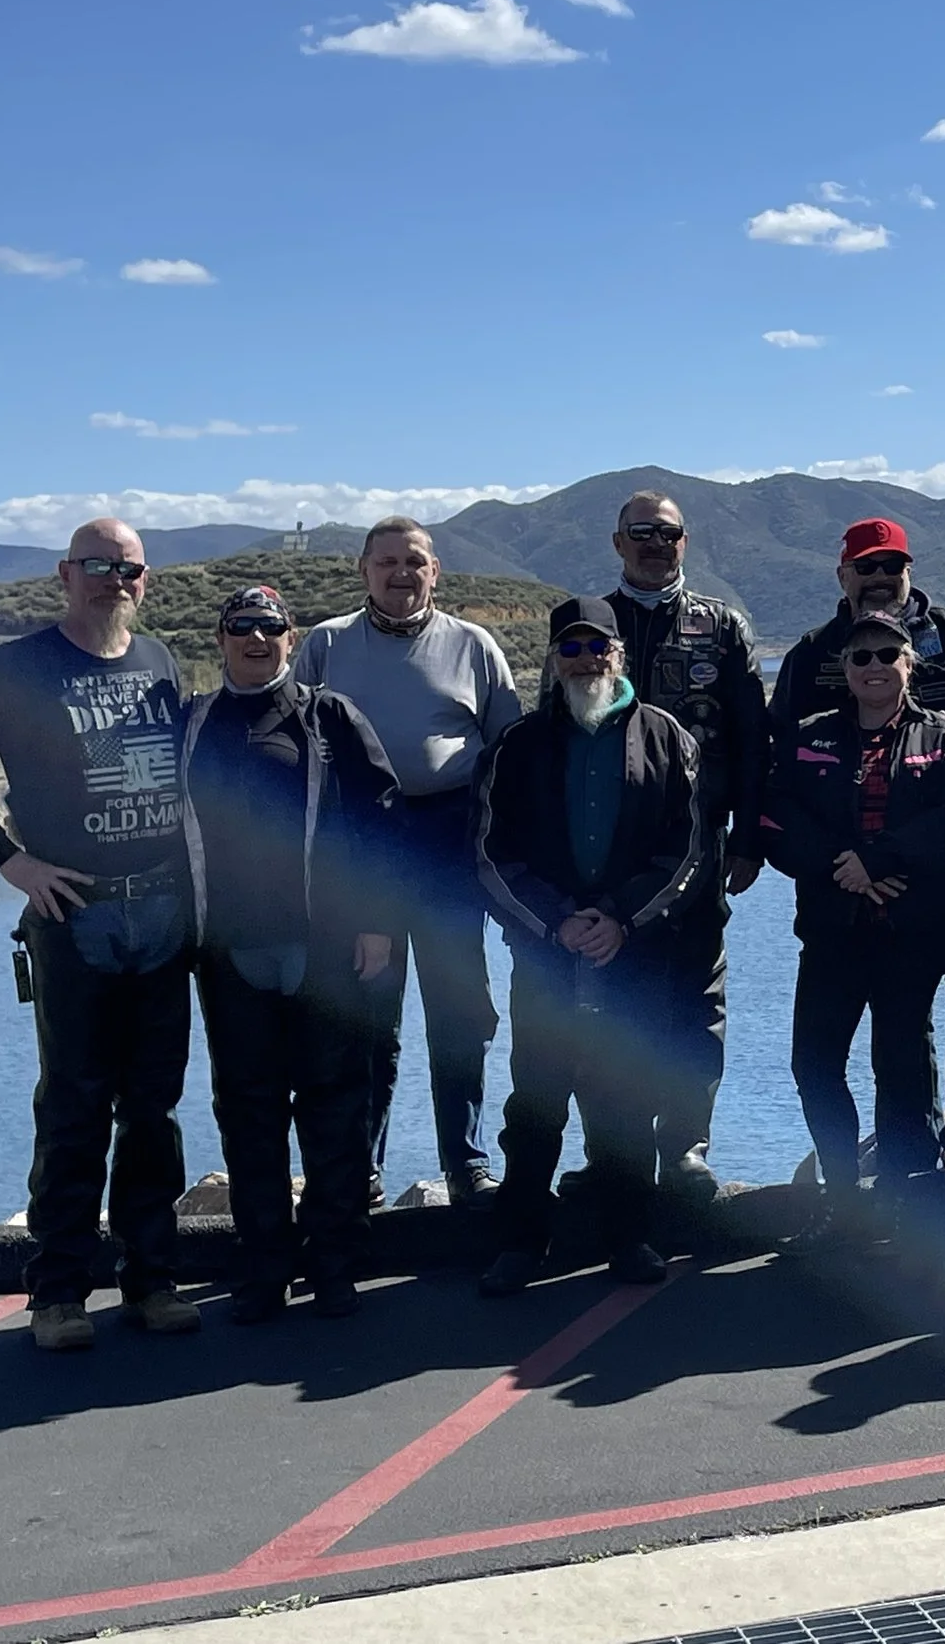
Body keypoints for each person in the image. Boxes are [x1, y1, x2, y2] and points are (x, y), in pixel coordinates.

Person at [0, 519, 200, 1351]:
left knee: (154, 1110)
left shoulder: (160, 661)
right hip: (74, 916)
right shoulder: (21, 667)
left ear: (145, 580)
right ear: (66, 574)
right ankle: (59, 1293)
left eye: (128, 568)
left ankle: (152, 1280)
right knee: (73, 1106)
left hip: (163, 913)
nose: (114, 579)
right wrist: (10, 860)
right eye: (98, 565)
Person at [177, 585, 401, 1321]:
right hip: (228, 951)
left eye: (269, 627)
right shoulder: (193, 723)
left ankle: (335, 1262)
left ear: (290, 637)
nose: (256, 638)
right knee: (250, 1113)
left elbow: (381, 821)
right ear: (220, 637)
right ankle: (265, 1266)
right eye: (241, 626)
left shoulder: (329, 717)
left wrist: (377, 923)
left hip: (324, 946)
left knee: (334, 1106)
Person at [473, 597, 707, 1293]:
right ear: (553, 660)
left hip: (632, 951)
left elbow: (689, 847)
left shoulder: (668, 738)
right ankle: (521, 1241)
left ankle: (628, 1237)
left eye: (596, 647)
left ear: (619, 654)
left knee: (625, 1100)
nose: (584, 660)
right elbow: (491, 851)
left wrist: (619, 918)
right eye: (570, 649)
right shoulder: (515, 745)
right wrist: (557, 922)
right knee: (536, 1099)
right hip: (547, 952)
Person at [771, 517, 945, 1177]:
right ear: (843, 575)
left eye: (892, 566)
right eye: (866, 567)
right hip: (841, 864)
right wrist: (845, 863)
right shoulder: (812, 653)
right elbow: (780, 760)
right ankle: (905, 1155)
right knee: (895, 1022)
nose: (880, 578)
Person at [295, 517, 522, 1210]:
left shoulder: (474, 646)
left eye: (415, 561)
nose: (402, 573)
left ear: (435, 571)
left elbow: (511, 755)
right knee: (370, 1018)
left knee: (460, 1014)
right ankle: (362, 1167)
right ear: (363, 569)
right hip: (365, 850)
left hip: (450, 848)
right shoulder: (325, 644)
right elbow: (296, 746)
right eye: (387, 561)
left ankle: (467, 1164)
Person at [761, 609, 945, 1248]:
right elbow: (774, 820)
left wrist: (880, 861)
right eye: (861, 656)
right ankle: (841, 1199)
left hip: (910, 933)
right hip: (832, 932)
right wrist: (845, 867)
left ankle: (901, 1199)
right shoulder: (807, 737)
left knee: (902, 1068)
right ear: (845, 668)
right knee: (814, 1065)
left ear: (909, 664)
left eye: (888, 654)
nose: (875, 666)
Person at [593, 490, 771, 1204]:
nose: (654, 544)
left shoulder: (722, 625)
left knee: (694, 998)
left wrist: (750, 836)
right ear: (618, 542)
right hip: (608, 848)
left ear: (685, 542)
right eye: (641, 532)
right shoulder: (591, 622)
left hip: (701, 844)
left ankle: (687, 1146)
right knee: (613, 1000)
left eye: (667, 533)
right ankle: (618, 1155)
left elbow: (754, 740)